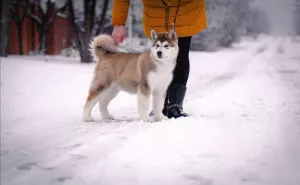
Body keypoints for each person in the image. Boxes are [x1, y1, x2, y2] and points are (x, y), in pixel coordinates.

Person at [111, 0, 207, 119]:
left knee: (180, 54)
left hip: (184, 10)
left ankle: (174, 105)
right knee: (159, 59)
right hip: (155, 13)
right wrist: (119, 23)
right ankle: (160, 106)